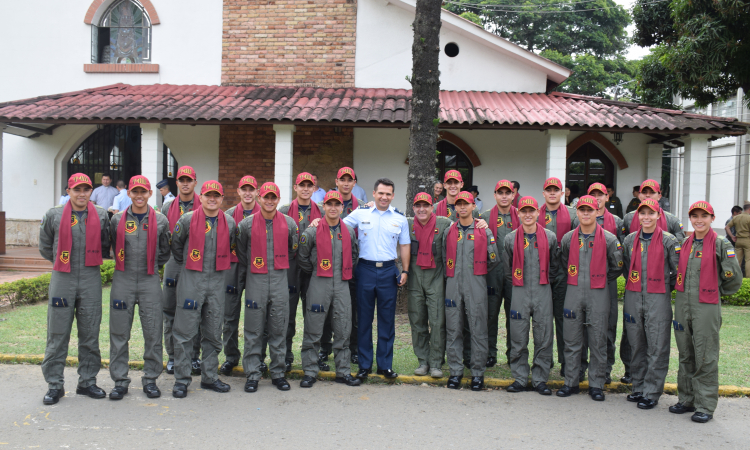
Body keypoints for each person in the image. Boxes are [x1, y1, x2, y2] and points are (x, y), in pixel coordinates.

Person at [39, 173, 110, 405]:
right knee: (57, 333)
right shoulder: (54, 215)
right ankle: (54, 385)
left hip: (90, 276)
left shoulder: (100, 214)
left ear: (91, 191)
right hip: (63, 277)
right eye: (76, 189)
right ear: (68, 191)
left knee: (90, 331)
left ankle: (87, 381)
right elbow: (46, 246)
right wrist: (62, 261)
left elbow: (105, 243)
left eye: (86, 189)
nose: (81, 194)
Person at [671, 201, 741, 423]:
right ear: (690, 219)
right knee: (685, 352)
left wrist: (715, 291)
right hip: (683, 304)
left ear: (712, 218)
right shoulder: (684, 243)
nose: (699, 220)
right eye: (695, 216)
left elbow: (733, 278)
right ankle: (687, 398)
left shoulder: (721, 245)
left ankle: (705, 405)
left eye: (704, 215)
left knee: (705, 355)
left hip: (706, 306)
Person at [170, 180, 237, 398]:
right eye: (208, 194)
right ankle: (181, 379)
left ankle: (210, 377)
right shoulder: (187, 220)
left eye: (216, 195)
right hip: (191, 280)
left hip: (217, 282)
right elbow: (177, 246)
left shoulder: (229, 222)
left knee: (213, 332)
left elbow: (233, 246)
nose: (212, 199)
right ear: (201, 197)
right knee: (185, 332)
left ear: (221, 198)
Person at [108, 176, 171, 400]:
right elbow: (113, 248)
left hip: (149, 280)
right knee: (118, 332)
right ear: (129, 194)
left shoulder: (161, 220)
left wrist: (152, 265)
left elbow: (165, 251)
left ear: (149, 194)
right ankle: (120, 381)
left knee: (153, 332)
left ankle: (151, 380)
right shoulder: (117, 220)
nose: (139, 196)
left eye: (143, 192)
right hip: (123, 279)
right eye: (135, 192)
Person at [341, 178, 411, 380]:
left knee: (387, 320)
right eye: (380, 193)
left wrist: (404, 271)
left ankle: (384, 365)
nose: (384, 197)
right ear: (373, 193)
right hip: (365, 270)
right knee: (363, 319)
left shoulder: (399, 218)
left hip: (389, 271)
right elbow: (340, 226)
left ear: (393, 196)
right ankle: (364, 365)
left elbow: (405, 245)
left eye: (388, 193)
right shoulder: (361, 213)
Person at [556, 195, 622, 402]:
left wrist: (599, 279)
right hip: (574, 291)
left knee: (598, 340)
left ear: (597, 211)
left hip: (598, 292)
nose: (586, 213)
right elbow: (564, 262)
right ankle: (571, 381)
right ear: (577, 212)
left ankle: (596, 384)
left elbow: (617, 267)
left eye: (590, 210)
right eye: (582, 210)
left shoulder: (610, 239)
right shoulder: (568, 238)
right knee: (572, 339)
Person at [620, 179, 685, 384]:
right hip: (635, 294)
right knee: (636, 342)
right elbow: (626, 265)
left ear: (659, 214)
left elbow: (677, 269)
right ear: (637, 214)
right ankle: (638, 386)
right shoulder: (630, 239)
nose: (646, 217)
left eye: (651, 213)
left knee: (657, 344)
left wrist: (664, 284)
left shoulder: (669, 239)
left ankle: (651, 390)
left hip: (658, 295)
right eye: (643, 213)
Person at [237, 182, 299, 393]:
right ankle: (253, 374)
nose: (270, 201)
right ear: (258, 198)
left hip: (280, 280)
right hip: (256, 281)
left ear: (278, 200)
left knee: (278, 329)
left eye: (274, 198)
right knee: (253, 330)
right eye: (266, 197)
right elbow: (242, 253)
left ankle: (278, 373)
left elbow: (293, 250)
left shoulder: (290, 224)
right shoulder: (246, 225)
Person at [297, 191, 361, 387]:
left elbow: (354, 256)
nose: (333, 208)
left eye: (337, 204)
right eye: (329, 204)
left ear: (343, 208)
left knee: (343, 328)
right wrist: (317, 271)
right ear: (323, 207)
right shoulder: (311, 232)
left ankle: (342, 371)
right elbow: (303, 258)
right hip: (318, 282)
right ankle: (310, 371)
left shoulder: (348, 231)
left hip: (341, 284)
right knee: (313, 328)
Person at [503, 196, 560, 396]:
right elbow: (507, 268)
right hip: (519, 290)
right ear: (518, 213)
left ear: (538, 213)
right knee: (518, 335)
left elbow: (554, 266)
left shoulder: (550, 237)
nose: (528, 215)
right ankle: (519, 377)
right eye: (524, 211)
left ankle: (540, 379)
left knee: (543, 336)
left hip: (543, 289)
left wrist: (543, 281)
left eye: (531, 211)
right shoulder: (510, 238)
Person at [442, 191, 499, 391]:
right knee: (454, 329)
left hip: (476, 284)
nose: (463, 207)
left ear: (474, 206)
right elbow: (443, 256)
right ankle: (456, 372)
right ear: (455, 207)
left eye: (466, 204)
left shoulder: (485, 230)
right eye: (459, 204)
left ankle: (477, 373)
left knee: (478, 329)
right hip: (453, 285)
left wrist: (478, 274)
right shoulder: (449, 231)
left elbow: (493, 259)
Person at [279, 173, 325, 372]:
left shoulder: (323, 211)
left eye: (309, 185)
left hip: (313, 269)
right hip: (289, 268)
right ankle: (286, 355)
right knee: (286, 314)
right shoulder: (283, 210)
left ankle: (314, 356)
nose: (306, 189)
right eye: (302, 185)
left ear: (314, 188)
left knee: (313, 314)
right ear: (295, 187)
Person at [319, 167, 364, 365]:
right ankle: (324, 347)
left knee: (352, 310)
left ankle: (352, 348)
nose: (346, 183)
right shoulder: (327, 204)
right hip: (328, 265)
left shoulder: (363, 207)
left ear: (355, 183)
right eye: (342, 179)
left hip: (353, 265)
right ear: (336, 182)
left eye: (350, 180)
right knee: (326, 310)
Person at [161, 166, 202, 376]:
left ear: (195, 182)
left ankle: (194, 356)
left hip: (196, 264)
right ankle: (172, 356)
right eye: (181, 180)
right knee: (170, 311)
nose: (185, 184)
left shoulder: (204, 205)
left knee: (195, 311)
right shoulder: (167, 207)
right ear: (176, 183)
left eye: (189, 180)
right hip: (173, 263)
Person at [406, 192, 453, 378]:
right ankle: (423, 361)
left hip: (436, 278)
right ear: (413, 208)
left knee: (437, 322)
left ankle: (436, 363)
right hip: (415, 279)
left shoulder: (445, 224)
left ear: (432, 207)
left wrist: (480, 223)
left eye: (425, 205)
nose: (422, 209)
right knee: (417, 321)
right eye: (418, 205)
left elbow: (463, 228)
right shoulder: (407, 224)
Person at [219, 175, 261, 376]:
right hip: (233, 268)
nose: (247, 193)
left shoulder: (266, 213)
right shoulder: (227, 215)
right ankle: (231, 356)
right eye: (244, 189)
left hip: (256, 269)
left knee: (258, 316)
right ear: (238, 191)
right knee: (230, 314)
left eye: (251, 189)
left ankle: (257, 357)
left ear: (256, 192)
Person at [539, 177, 578, 377]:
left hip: (564, 272)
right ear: (543, 193)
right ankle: (545, 360)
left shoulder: (572, 214)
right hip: (541, 271)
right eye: (549, 190)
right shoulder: (535, 213)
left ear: (563, 193)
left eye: (556, 190)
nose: (552, 193)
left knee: (563, 319)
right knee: (543, 320)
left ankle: (565, 361)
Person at [588, 182, 626, 385]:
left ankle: (605, 369)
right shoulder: (580, 219)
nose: (597, 198)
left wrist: (609, 276)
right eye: (592, 195)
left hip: (607, 281)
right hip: (584, 281)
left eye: (600, 195)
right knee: (583, 325)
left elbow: (621, 254)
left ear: (607, 197)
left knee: (608, 326)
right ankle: (583, 367)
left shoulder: (618, 222)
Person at [479, 180, 519, 367]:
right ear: (494, 195)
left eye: (507, 193)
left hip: (514, 273)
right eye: (500, 192)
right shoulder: (484, 217)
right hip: (492, 272)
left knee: (515, 315)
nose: (504, 196)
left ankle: (514, 353)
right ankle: (489, 352)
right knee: (490, 314)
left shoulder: (521, 215)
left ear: (513, 195)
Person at [724, 202, 750, 276]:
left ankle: (736, 277)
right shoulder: (749, 218)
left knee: (737, 260)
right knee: (748, 260)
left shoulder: (736, 217)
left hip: (738, 240)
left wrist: (732, 236)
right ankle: (748, 279)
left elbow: (727, 227)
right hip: (747, 240)